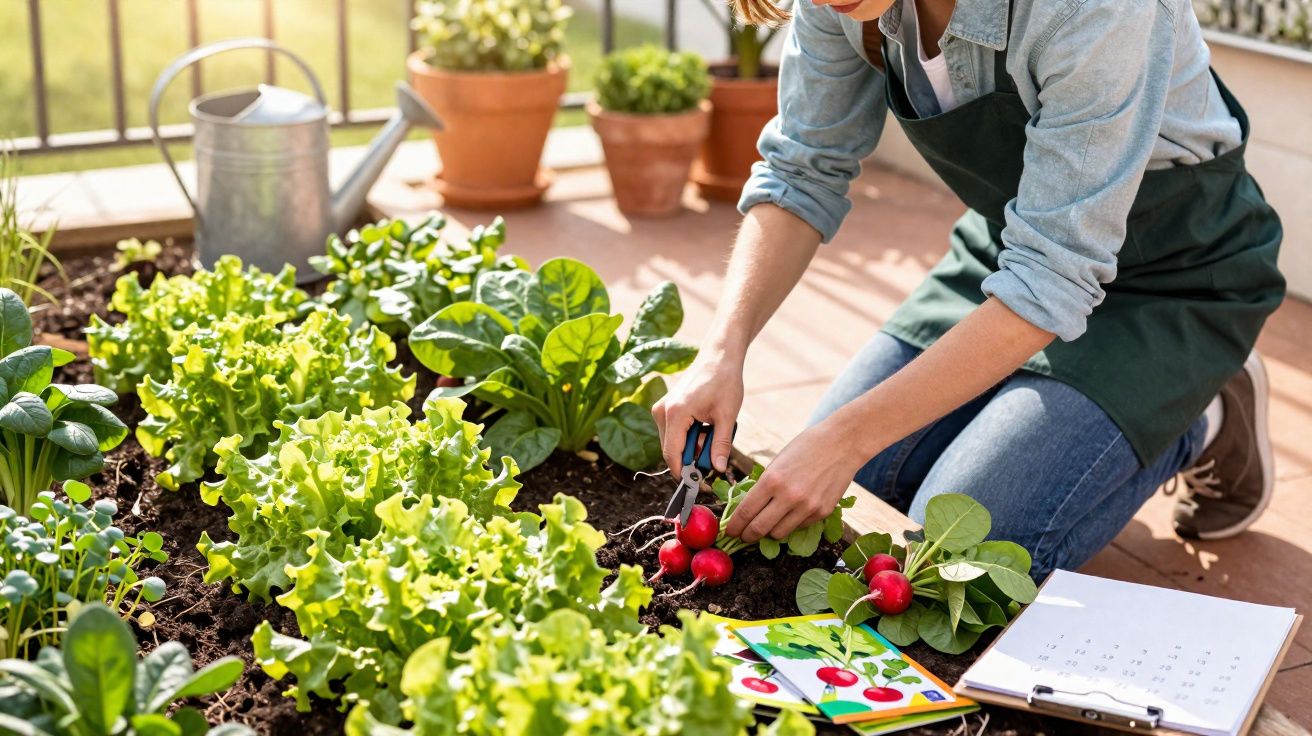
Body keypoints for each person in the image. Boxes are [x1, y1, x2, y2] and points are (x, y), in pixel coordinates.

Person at [652, 0, 1284, 579]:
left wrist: (844, 438)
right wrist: (722, 351)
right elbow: (801, 170)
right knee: (854, 499)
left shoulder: (1095, 8)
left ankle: (1205, 406)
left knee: (952, 558)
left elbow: (1052, 277)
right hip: (1014, 250)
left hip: (1171, 280)